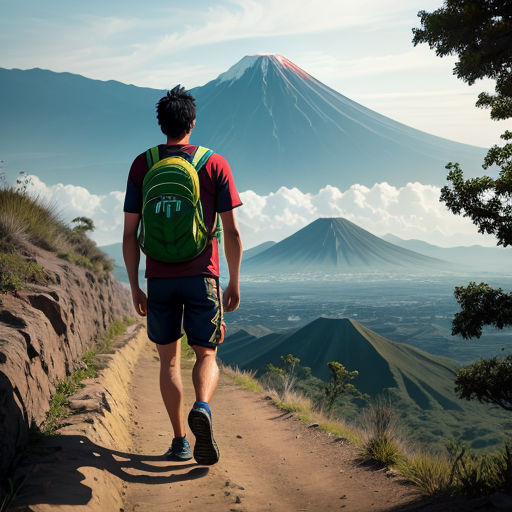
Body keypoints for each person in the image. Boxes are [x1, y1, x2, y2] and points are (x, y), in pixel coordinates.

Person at [122, 85, 243, 466]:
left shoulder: (143, 164)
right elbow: (233, 232)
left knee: (169, 362)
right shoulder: (214, 163)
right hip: (202, 276)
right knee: (206, 353)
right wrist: (233, 282)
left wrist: (135, 286)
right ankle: (203, 407)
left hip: (159, 278)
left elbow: (129, 235)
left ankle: (179, 442)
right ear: (192, 122)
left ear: (162, 124)